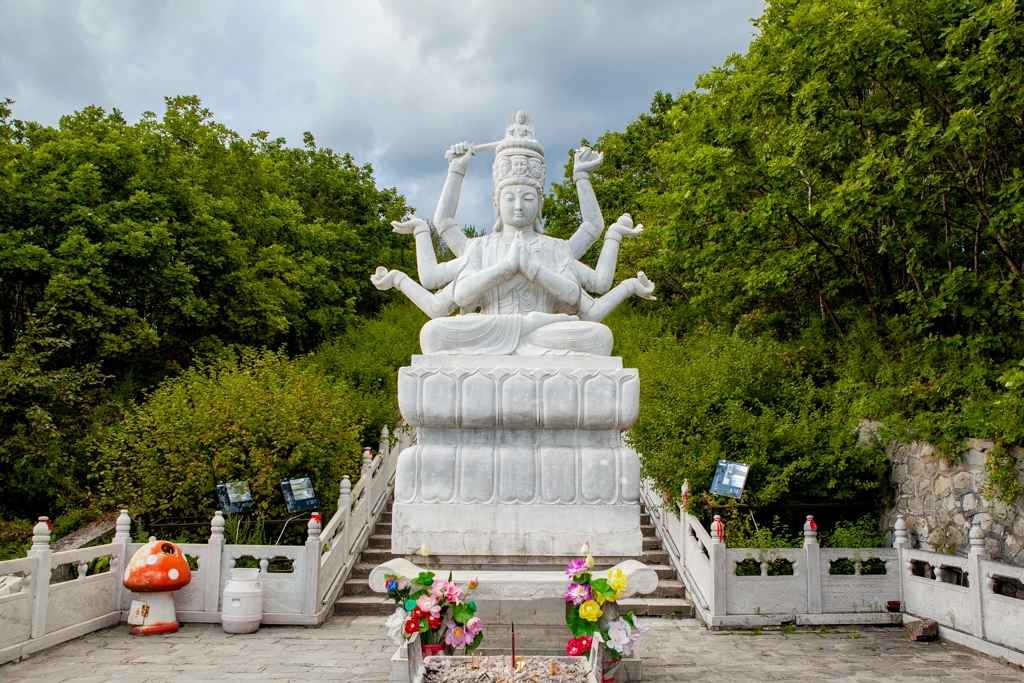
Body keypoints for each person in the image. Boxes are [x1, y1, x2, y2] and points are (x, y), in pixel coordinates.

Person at [371, 112, 655, 355]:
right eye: (510, 198)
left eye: (528, 198)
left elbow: (573, 294)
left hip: (544, 330)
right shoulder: (480, 247)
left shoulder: (556, 247)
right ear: (496, 204)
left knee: (600, 337)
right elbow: (461, 295)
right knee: (433, 334)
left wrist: (531, 268)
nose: (519, 206)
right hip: (490, 329)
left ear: (540, 204)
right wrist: (506, 267)